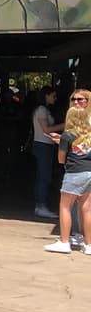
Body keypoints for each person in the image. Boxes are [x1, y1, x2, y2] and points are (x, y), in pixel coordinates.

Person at [44, 90, 91, 253]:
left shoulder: (67, 135)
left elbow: (61, 159)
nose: (76, 102)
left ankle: (64, 242)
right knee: (87, 208)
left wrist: (62, 143)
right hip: (89, 171)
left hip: (74, 172)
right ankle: (88, 244)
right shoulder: (89, 134)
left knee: (65, 206)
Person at [31, 86, 63, 219]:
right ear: (46, 95)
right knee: (44, 176)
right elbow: (46, 129)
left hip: (46, 145)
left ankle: (41, 204)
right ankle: (40, 205)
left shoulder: (44, 110)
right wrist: (65, 125)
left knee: (44, 175)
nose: (55, 99)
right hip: (42, 144)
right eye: (53, 96)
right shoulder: (41, 110)